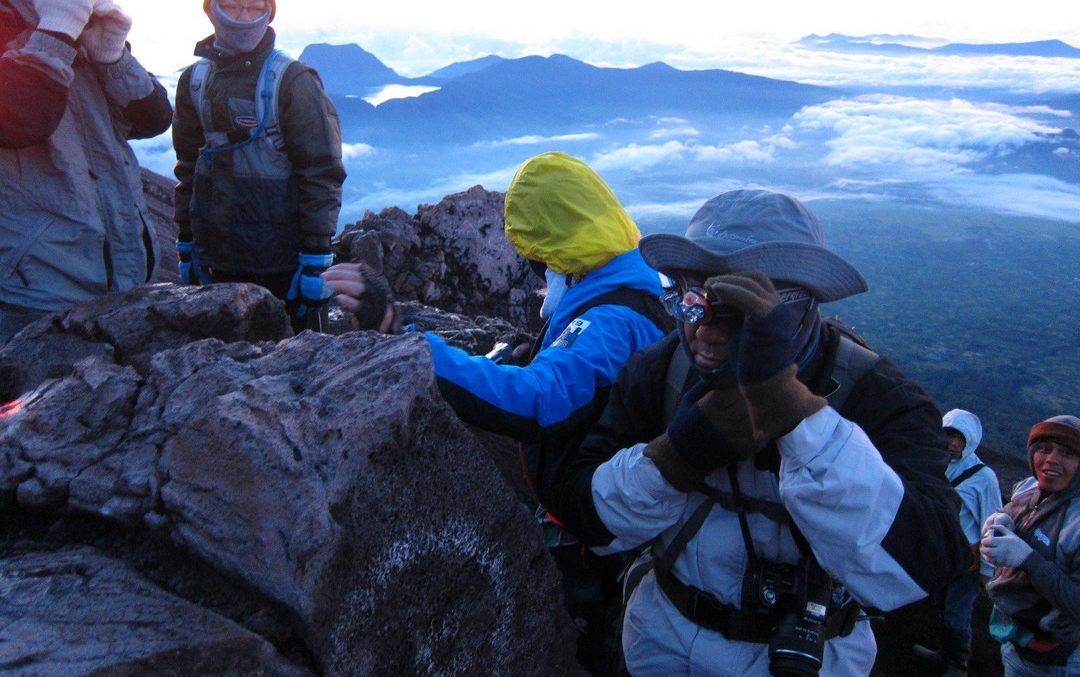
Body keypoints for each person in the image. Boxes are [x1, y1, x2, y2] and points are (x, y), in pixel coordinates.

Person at [548, 188, 970, 677]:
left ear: (800, 309)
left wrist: (796, 417)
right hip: (660, 647)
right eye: (693, 302)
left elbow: (927, 560)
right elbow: (587, 516)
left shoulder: (875, 396)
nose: (706, 332)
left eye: (739, 310)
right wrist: (675, 457)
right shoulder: (661, 372)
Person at [323, 151, 672, 676]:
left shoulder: (612, 322)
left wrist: (409, 344)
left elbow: (536, 400)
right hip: (600, 527)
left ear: (560, 249)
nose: (536, 270)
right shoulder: (620, 287)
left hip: (605, 549)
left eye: (538, 256)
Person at [0, 0, 172, 343]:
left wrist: (113, 56)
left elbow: (154, 120)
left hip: (123, 272)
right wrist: (55, 32)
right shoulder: (57, 18)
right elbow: (21, 120)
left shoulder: (77, 12)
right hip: (32, 290)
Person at [172, 0, 346, 333]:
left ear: (269, 13)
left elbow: (321, 170)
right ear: (211, 9)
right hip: (214, 260)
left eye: (255, 8)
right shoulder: (194, 81)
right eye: (233, 6)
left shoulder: (293, 80)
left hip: (281, 265)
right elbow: (187, 166)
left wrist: (316, 256)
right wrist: (186, 241)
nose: (244, 17)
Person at [981, 415, 1080, 676]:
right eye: (1044, 448)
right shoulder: (1028, 488)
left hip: (1059, 660)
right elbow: (1015, 514)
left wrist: (1029, 560)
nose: (1051, 459)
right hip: (1015, 640)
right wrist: (1000, 520)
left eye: (1068, 453)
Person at [914, 408, 1003, 676]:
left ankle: (957, 665)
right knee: (942, 604)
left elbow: (992, 524)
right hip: (942, 552)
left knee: (957, 612)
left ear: (971, 441)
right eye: (949, 435)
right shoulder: (937, 462)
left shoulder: (983, 477)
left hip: (967, 559)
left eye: (960, 438)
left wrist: (988, 570)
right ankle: (944, 654)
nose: (953, 443)